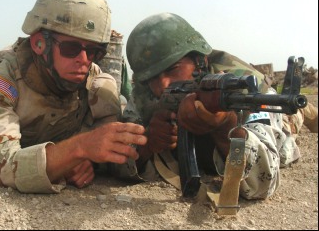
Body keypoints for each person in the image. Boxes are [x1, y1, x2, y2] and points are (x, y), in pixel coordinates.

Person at [112, 12, 317, 200]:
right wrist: (149, 142)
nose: (164, 84)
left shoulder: (241, 90)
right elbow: (113, 162)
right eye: (153, 77)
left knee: (288, 130)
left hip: (274, 112)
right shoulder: (144, 94)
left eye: (173, 69)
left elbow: (263, 183)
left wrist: (225, 127)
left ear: (200, 61)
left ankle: (304, 112)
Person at [0, 0, 147, 194]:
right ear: (39, 44)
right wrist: (77, 150)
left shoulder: (96, 82)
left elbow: (111, 156)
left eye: (94, 51)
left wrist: (80, 161)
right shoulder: (1, 80)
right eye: (71, 48)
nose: (84, 60)